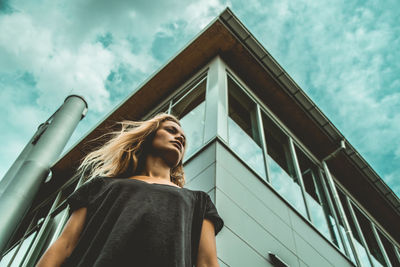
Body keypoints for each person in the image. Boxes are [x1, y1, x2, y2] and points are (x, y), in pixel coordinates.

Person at [36, 113, 224, 267]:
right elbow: (65, 245)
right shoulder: (101, 186)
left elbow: (207, 263)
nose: (180, 138)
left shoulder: (199, 201)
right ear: (149, 135)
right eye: (171, 130)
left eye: (183, 137)